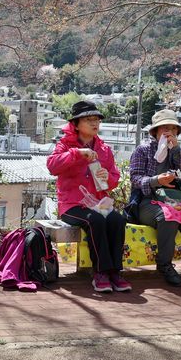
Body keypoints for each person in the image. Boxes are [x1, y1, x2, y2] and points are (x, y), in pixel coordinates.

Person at [47, 100, 131, 293]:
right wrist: (77, 153)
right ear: (76, 125)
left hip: (98, 204)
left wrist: (107, 177)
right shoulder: (65, 145)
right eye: (89, 119)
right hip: (71, 205)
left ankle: (115, 272)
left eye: (97, 119)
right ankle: (100, 272)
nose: (95, 123)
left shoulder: (104, 149)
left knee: (117, 220)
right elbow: (52, 166)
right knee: (95, 221)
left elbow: (114, 179)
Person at [129, 109, 181, 291]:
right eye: (164, 128)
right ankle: (164, 265)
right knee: (168, 218)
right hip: (147, 201)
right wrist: (156, 180)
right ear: (155, 131)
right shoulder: (143, 150)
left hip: (174, 201)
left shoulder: (176, 151)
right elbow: (135, 178)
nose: (168, 132)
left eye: (173, 129)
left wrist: (176, 151)